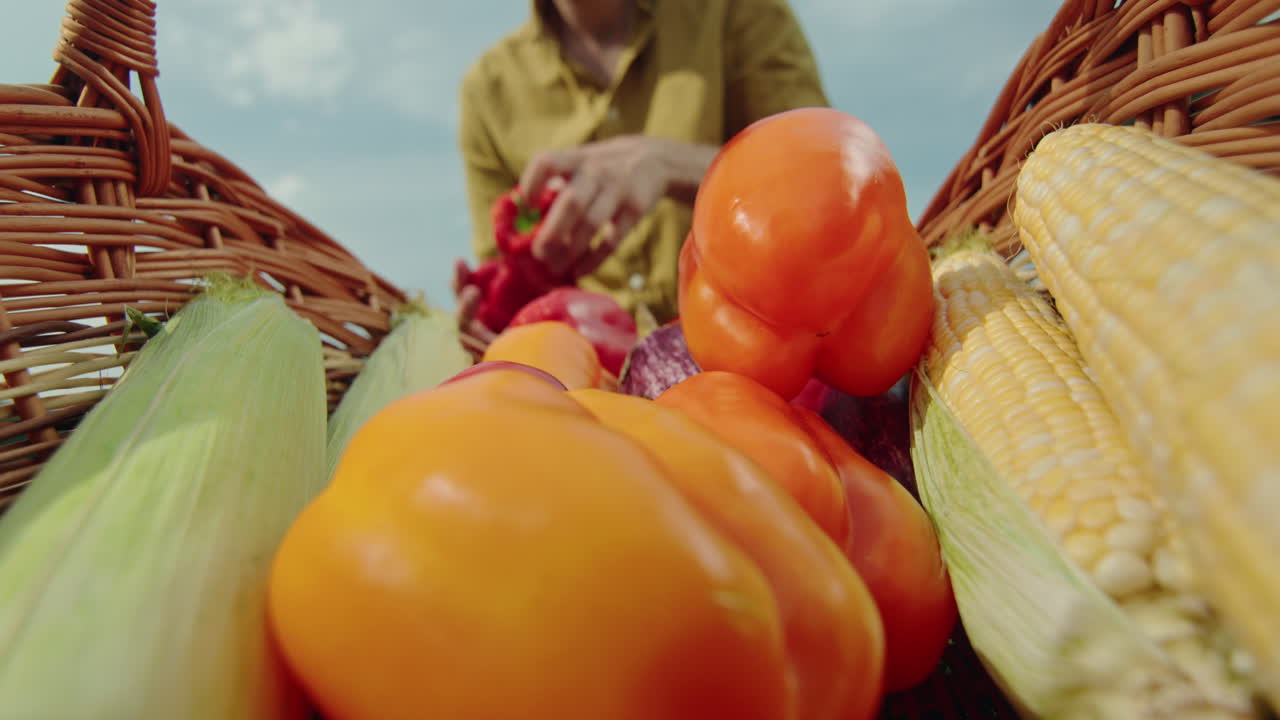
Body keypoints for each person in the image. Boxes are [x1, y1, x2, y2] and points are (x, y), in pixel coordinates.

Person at [454, 0, 829, 337]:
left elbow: (822, 183)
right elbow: (509, 288)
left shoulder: (736, 11)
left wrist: (668, 163)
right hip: (593, 386)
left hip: (749, 349)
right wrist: (496, 328)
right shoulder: (488, 91)